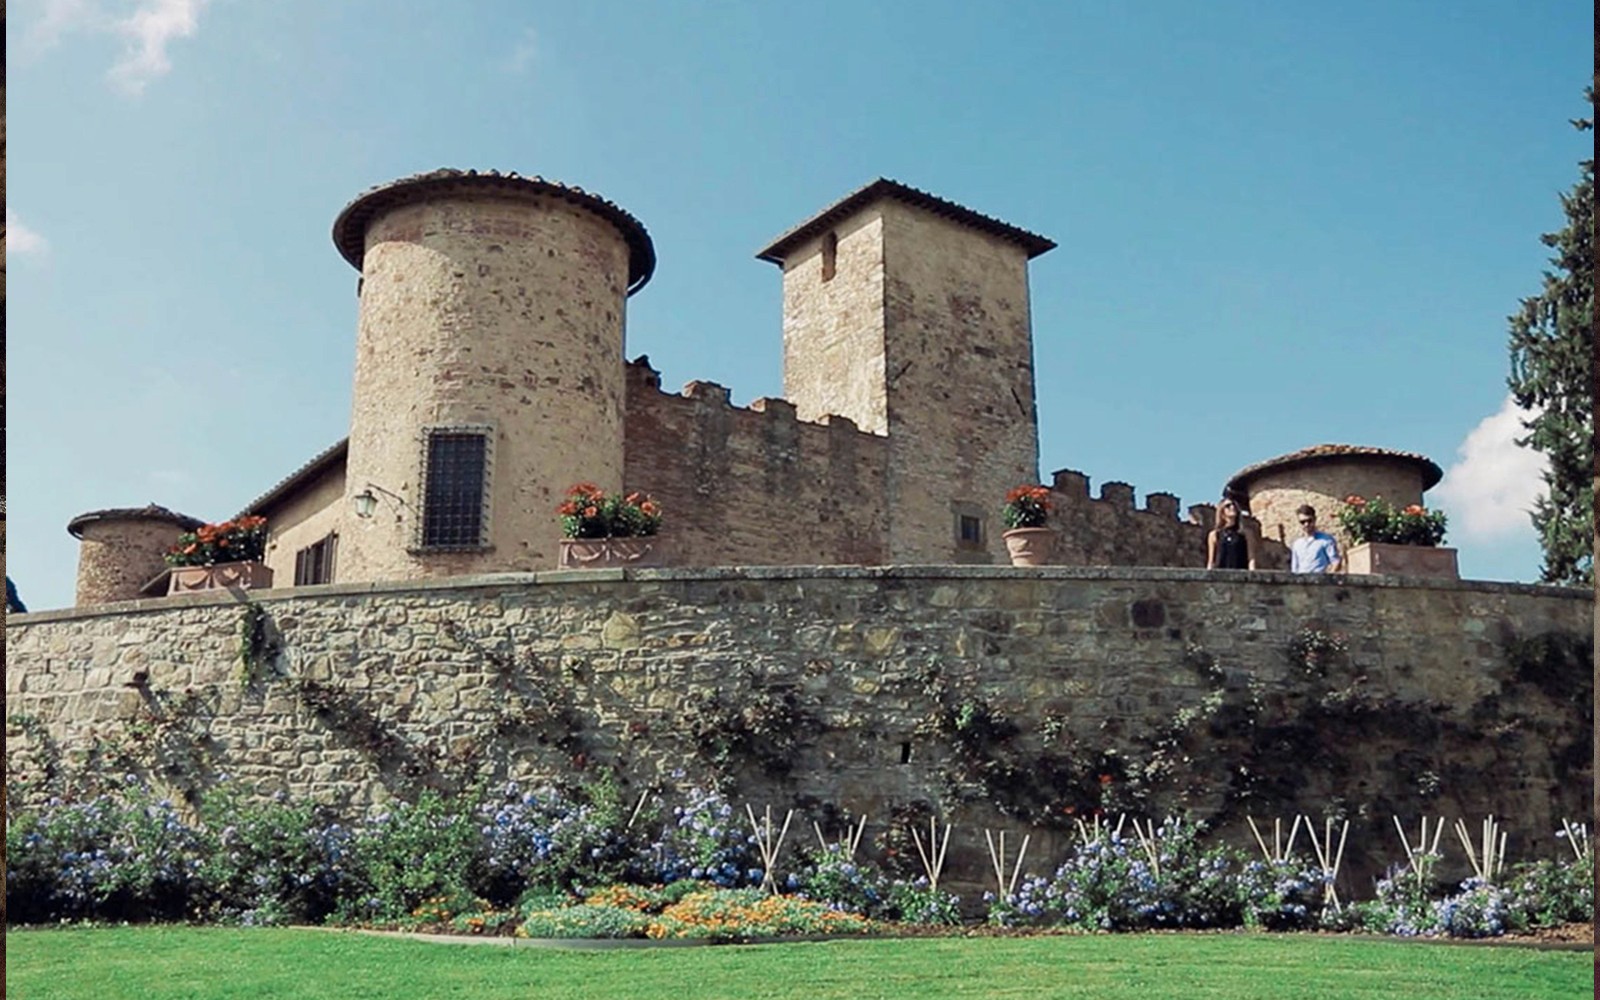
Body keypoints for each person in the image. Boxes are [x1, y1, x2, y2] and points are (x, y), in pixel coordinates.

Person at [1206, 498, 1257, 570]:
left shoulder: (1246, 534)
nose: (1232, 507)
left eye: (1234, 505)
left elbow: (1251, 559)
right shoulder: (1214, 535)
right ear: (1222, 512)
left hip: (1241, 575)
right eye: (1228, 506)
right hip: (1220, 576)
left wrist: (1252, 577)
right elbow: (1211, 561)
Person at [1289, 504, 1342, 573]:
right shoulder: (1297, 544)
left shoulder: (1326, 540)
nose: (1306, 524)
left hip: (1319, 581)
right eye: (1303, 522)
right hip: (1302, 582)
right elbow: (1295, 569)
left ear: (1315, 519)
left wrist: (1327, 580)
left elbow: (1336, 562)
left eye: (1309, 521)